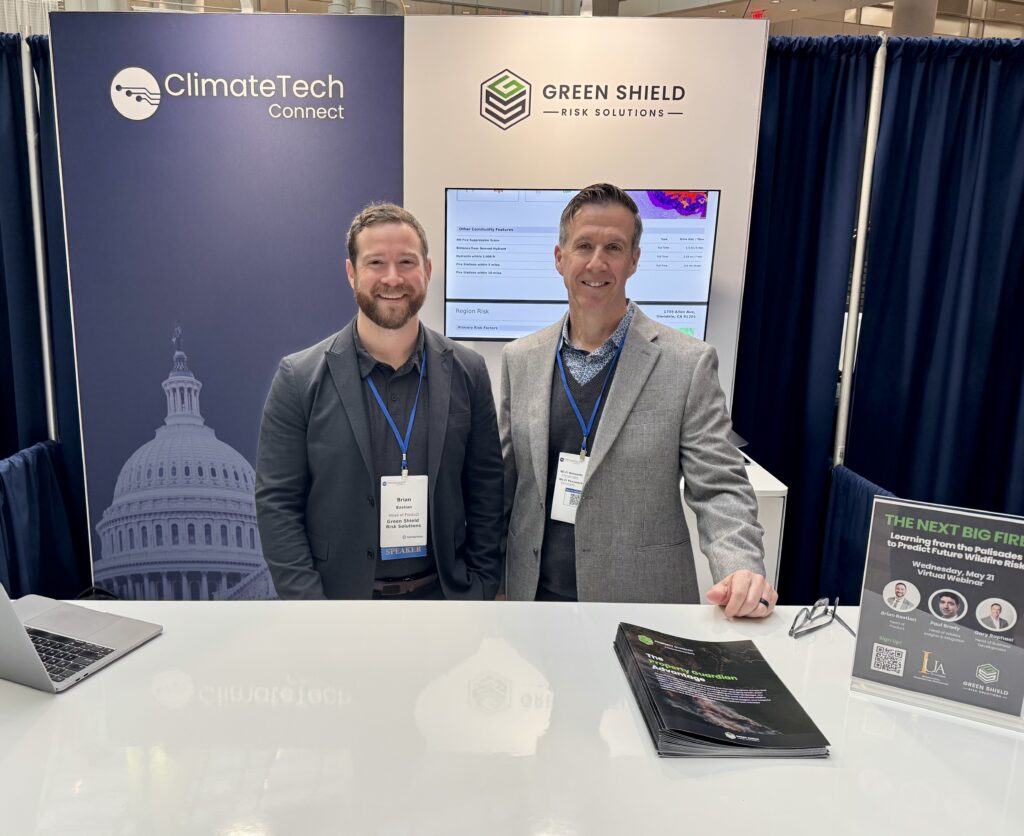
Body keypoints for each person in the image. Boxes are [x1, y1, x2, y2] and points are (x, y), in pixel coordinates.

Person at [499, 184, 775, 616]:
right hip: (534, 602)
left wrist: (740, 566)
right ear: (560, 258)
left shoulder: (688, 363)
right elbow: (505, 483)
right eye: (583, 245)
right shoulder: (521, 359)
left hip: (642, 603)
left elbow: (719, 486)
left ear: (634, 260)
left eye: (614, 247)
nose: (596, 262)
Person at [256, 203, 503, 600]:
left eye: (406, 261)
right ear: (351, 272)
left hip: (446, 606)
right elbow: (277, 505)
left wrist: (481, 588)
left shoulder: (469, 372)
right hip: (340, 609)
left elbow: (487, 492)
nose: (393, 278)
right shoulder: (298, 378)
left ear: (427, 270)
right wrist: (310, 609)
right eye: (376, 262)